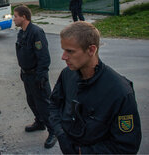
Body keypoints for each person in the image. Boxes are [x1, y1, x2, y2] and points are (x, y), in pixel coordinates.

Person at [49, 21, 142, 154]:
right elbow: (54, 105)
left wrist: (83, 152)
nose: (63, 57)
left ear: (91, 50)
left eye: (70, 51)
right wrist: (61, 134)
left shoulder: (120, 92)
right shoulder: (67, 75)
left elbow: (126, 146)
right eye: (64, 50)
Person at [13, 5, 56, 148]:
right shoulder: (21, 33)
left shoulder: (36, 32)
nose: (14, 19)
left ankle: (54, 131)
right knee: (31, 101)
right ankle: (40, 122)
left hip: (37, 75)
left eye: (16, 16)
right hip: (27, 75)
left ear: (24, 17)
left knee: (44, 105)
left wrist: (41, 76)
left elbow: (43, 57)